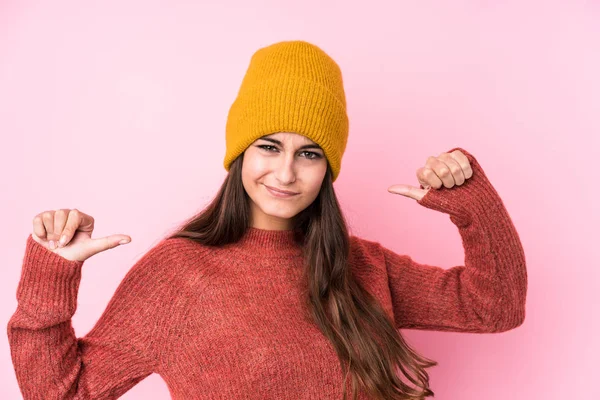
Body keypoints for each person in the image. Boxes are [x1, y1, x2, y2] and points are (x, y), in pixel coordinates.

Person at [7, 40, 528, 400]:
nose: (286, 172)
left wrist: (470, 204)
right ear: (239, 154)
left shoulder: (361, 267)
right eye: (269, 146)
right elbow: (64, 392)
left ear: (328, 169)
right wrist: (49, 277)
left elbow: (495, 307)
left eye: (310, 154)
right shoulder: (176, 275)